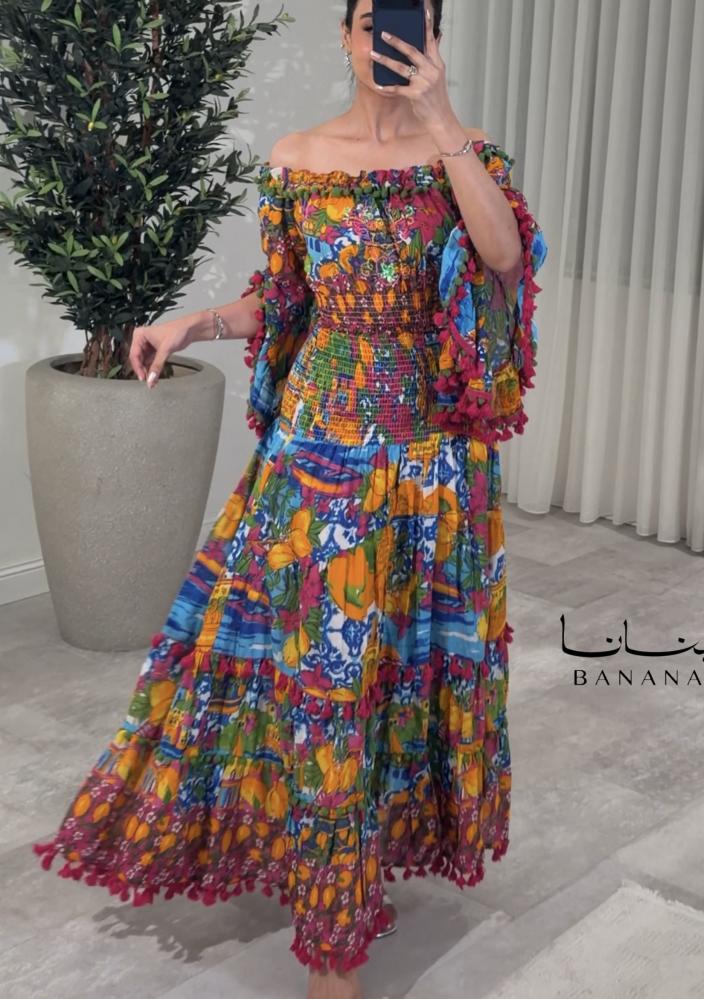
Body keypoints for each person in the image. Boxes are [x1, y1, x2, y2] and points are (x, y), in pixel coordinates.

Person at [31, 2, 547, 997]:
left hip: (432, 464)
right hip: (321, 457)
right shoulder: (299, 157)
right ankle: (332, 940)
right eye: (369, 19)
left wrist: (441, 119)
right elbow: (285, 297)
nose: (384, 38)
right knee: (328, 682)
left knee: (402, 671)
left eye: (406, 21)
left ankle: (367, 861)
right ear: (344, 36)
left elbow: (502, 257)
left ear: (434, 40)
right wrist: (193, 323)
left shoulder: (468, 150)